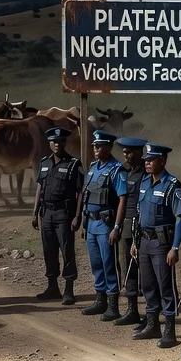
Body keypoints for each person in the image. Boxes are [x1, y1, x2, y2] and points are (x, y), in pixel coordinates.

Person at [132, 143, 181, 345]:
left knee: (165, 286)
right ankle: (152, 325)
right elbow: (139, 215)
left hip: (162, 244)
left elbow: (180, 217)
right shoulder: (144, 182)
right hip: (144, 242)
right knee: (147, 286)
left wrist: (175, 247)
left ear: (162, 161)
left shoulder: (172, 185)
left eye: (151, 159)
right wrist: (135, 242)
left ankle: (169, 330)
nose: (147, 163)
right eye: (146, 160)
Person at [79, 131, 129, 316]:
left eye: (99, 146)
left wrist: (117, 227)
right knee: (96, 263)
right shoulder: (93, 168)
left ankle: (113, 305)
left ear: (109, 147)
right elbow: (86, 196)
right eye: (94, 145)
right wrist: (84, 223)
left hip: (106, 224)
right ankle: (100, 300)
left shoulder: (117, 169)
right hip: (91, 224)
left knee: (109, 263)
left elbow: (123, 198)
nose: (95, 149)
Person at [32, 126, 84, 304]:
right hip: (46, 213)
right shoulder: (45, 162)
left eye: (60, 141)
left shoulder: (73, 164)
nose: (57, 144)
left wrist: (78, 216)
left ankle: (68, 290)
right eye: (54, 142)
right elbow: (40, 187)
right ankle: (52, 287)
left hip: (64, 214)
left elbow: (80, 192)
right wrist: (34, 213)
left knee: (67, 251)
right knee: (49, 251)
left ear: (64, 143)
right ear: (49, 143)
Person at [108, 137, 149, 325]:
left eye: (130, 152)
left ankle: (151, 312)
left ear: (140, 152)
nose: (126, 155)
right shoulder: (123, 171)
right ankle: (132, 310)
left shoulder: (147, 173)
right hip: (126, 225)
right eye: (124, 152)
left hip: (142, 225)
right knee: (128, 268)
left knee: (146, 270)